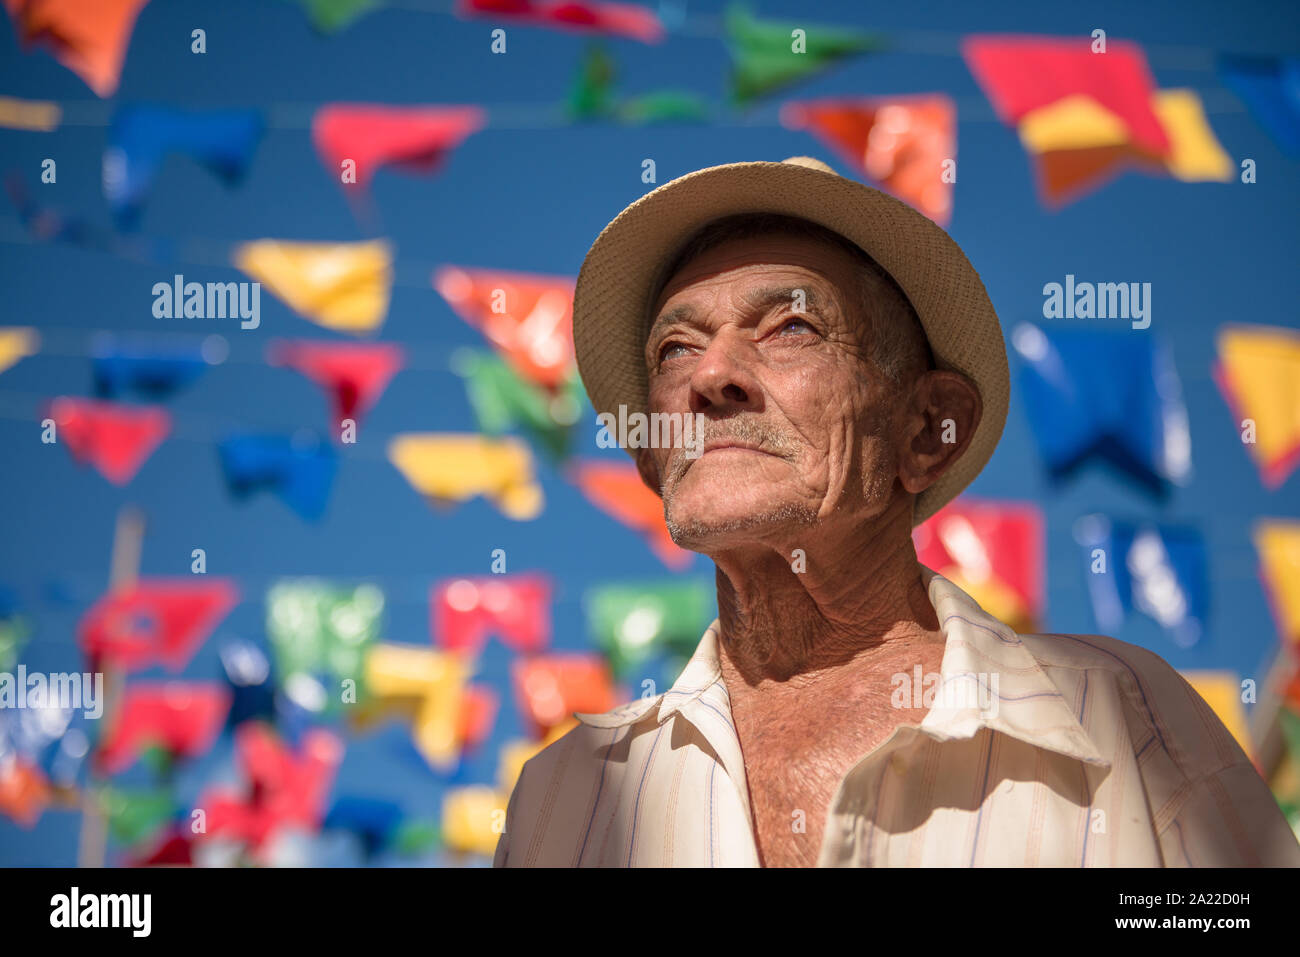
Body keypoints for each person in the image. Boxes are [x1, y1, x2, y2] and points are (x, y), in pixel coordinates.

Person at [494, 156, 1300, 867]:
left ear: (926, 431)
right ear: (652, 454)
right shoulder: (564, 802)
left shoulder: (1121, 717)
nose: (712, 375)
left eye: (791, 326)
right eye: (676, 348)